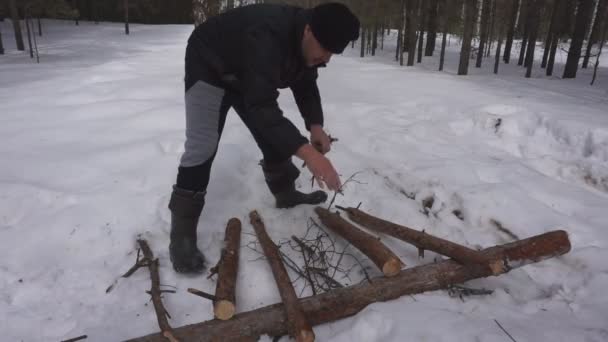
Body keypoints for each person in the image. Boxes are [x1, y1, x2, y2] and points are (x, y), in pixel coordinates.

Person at [169, 2, 360, 273]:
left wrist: (315, 126)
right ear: (308, 30)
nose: (327, 59)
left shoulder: (307, 41)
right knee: (203, 145)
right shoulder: (267, 34)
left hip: (245, 71)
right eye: (325, 50)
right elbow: (262, 107)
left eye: (332, 53)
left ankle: (285, 193)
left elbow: (305, 82)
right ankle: (181, 235)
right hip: (209, 63)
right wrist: (309, 154)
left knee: (274, 134)